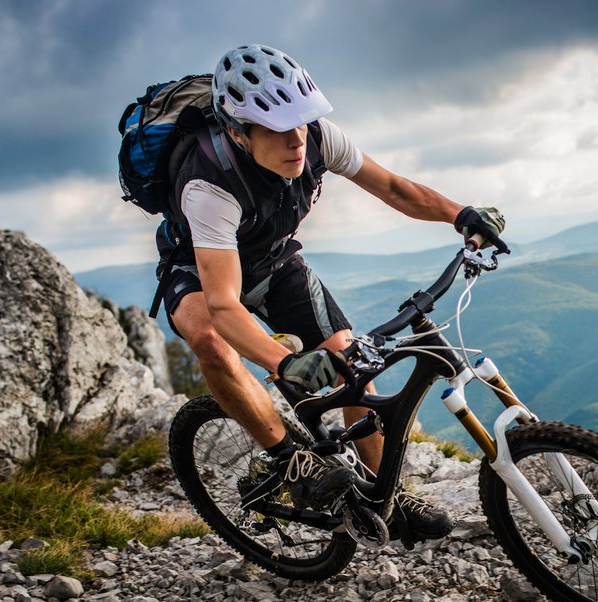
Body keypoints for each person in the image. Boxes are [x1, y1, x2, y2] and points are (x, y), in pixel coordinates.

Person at [156, 43, 507, 541]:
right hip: (199, 269)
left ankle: (388, 492)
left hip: (274, 260)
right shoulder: (209, 184)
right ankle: (287, 459)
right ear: (239, 131)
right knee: (210, 341)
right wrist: (283, 363)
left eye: (300, 120)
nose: (296, 138)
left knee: (349, 361)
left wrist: (461, 215)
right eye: (277, 128)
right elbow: (223, 303)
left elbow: (393, 188)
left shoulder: (318, 138)